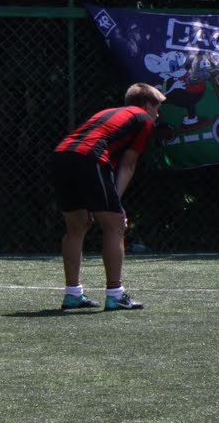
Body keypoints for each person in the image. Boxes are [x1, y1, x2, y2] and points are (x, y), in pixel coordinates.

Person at [51, 83, 166, 311]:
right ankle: (115, 295)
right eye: (156, 108)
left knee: (77, 226)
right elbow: (128, 164)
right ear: (146, 105)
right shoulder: (144, 119)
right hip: (89, 156)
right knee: (115, 225)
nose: (157, 114)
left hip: (61, 155)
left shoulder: (108, 112)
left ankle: (73, 294)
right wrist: (116, 205)